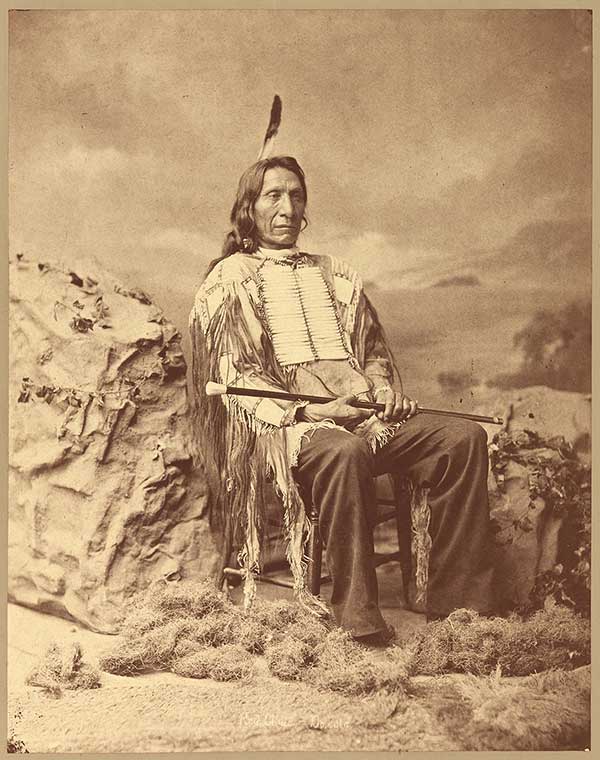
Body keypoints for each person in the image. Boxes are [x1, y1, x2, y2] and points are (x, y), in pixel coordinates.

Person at [190, 155, 496, 643]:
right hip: (285, 429)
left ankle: (461, 607)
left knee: (462, 438)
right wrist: (315, 410)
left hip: (361, 417)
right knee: (343, 450)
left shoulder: (336, 274)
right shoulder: (230, 280)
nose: (287, 207)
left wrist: (384, 392)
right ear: (249, 208)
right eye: (273, 195)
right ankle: (357, 618)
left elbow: (372, 352)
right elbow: (235, 379)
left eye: (296, 195)